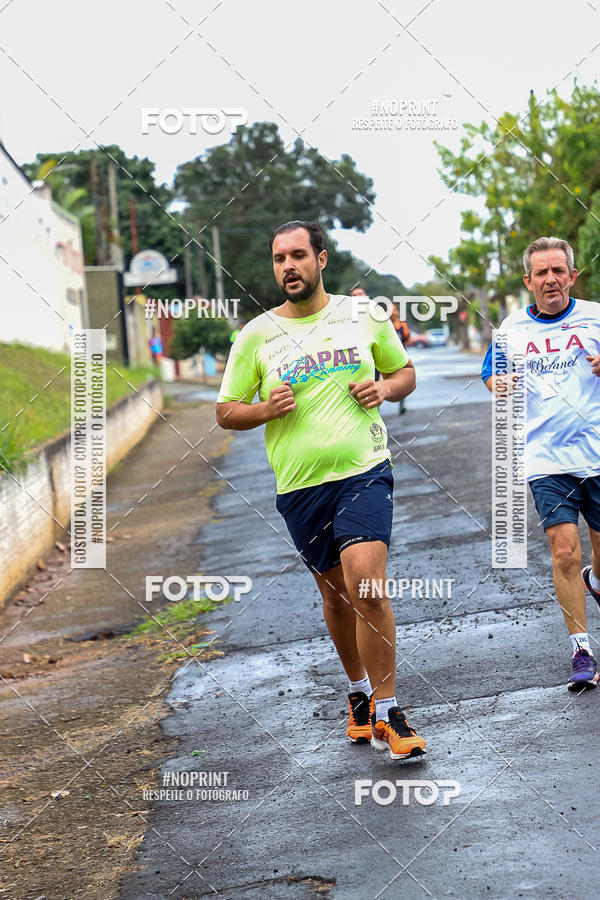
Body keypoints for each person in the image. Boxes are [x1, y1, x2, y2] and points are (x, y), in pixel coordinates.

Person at [216, 220, 426, 759]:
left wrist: (382, 387)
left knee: (366, 584)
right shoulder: (257, 335)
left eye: (298, 255)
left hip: (363, 470)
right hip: (300, 486)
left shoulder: (363, 315)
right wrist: (263, 409)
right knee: (334, 597)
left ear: (321, 259)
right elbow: (225, 412)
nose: (288, 266)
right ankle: (357, 693)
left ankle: (388, 711)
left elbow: (405, 373)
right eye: (279, 258)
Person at [481, 236, 600, 690]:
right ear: (528, 280)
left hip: (596, 453)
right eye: (541, 272)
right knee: (565, 550)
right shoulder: (511, 329)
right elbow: (493, 374)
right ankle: (581, 652)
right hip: (545, 457)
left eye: (559, 271)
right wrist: (501, 385)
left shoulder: (595, 317)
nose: (551, 279)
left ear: (572, 275)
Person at [390, 307, 411, 414]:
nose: (393, 312)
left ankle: (402, 403)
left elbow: (407, 337)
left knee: (402, 378)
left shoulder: (402, 324)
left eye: (394, 310)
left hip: (400, 355)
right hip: (386, 355)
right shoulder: (383, 323)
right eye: (390, 310)